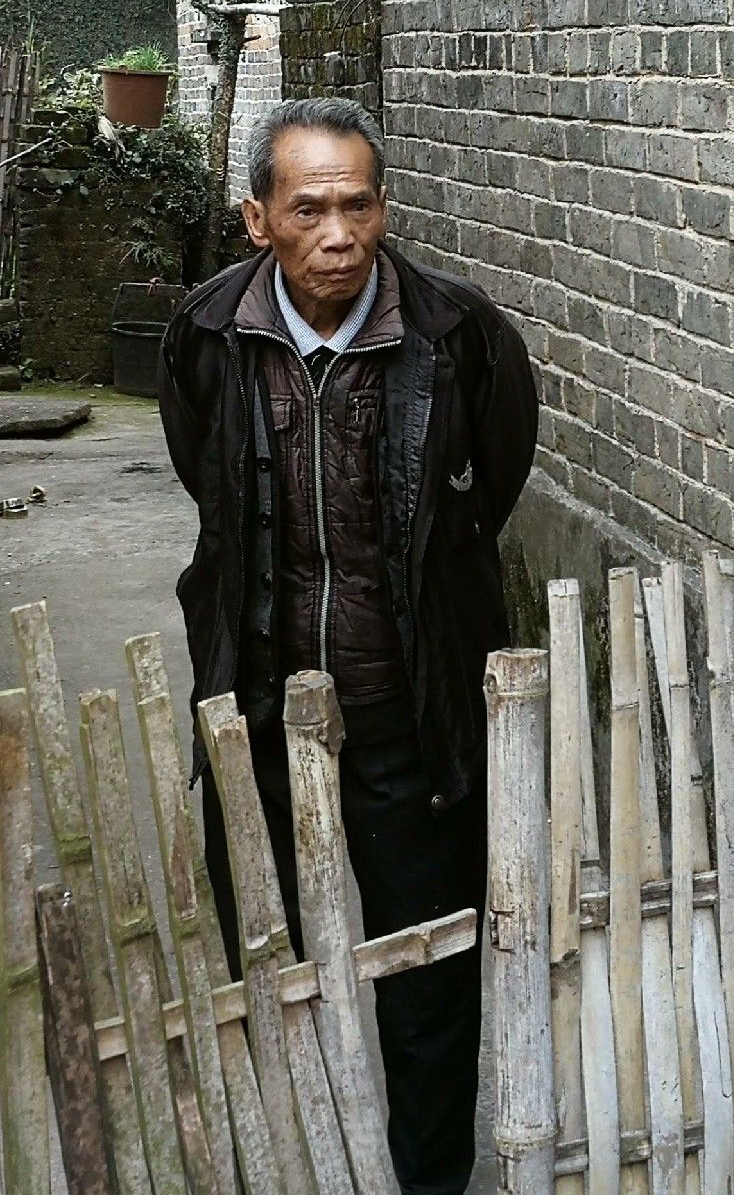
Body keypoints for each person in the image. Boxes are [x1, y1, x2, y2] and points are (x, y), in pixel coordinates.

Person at [158, 96, 538, 1194]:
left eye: (359, 203)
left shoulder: (460, 338)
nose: (338, 232)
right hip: (265, 717)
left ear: (384, 206)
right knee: (270, 969)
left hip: (410, 722)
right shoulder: (208, 334)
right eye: (309, 206)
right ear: (256, 218)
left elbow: (488, 486)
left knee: (427, 984)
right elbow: (211, 491)